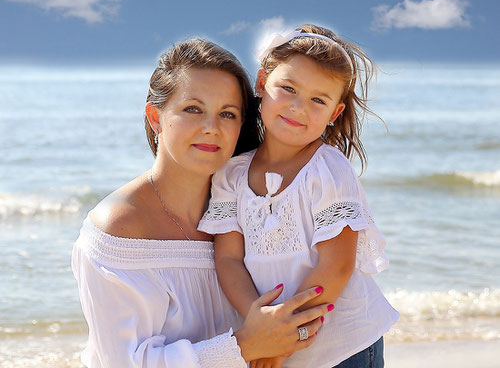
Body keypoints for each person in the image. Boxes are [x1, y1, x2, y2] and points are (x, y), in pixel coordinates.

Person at [71, 38, 333, 368]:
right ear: (156, 116)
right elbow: (125, 363)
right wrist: (245, 345)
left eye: (228, 113)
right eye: (193, 109)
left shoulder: (252, 208)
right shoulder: (118, 228)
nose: (211, 128)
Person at [198, 25, 399, 368]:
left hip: (343, 345)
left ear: (334, 112)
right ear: (262, 83)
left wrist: (283, 342)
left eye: (318, 100)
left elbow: (335, 266)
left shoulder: (327, 170)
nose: (298, 107)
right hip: (274, 339)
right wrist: (262, 326)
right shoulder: (231, 174)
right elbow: (228, 258)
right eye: (288, 88)